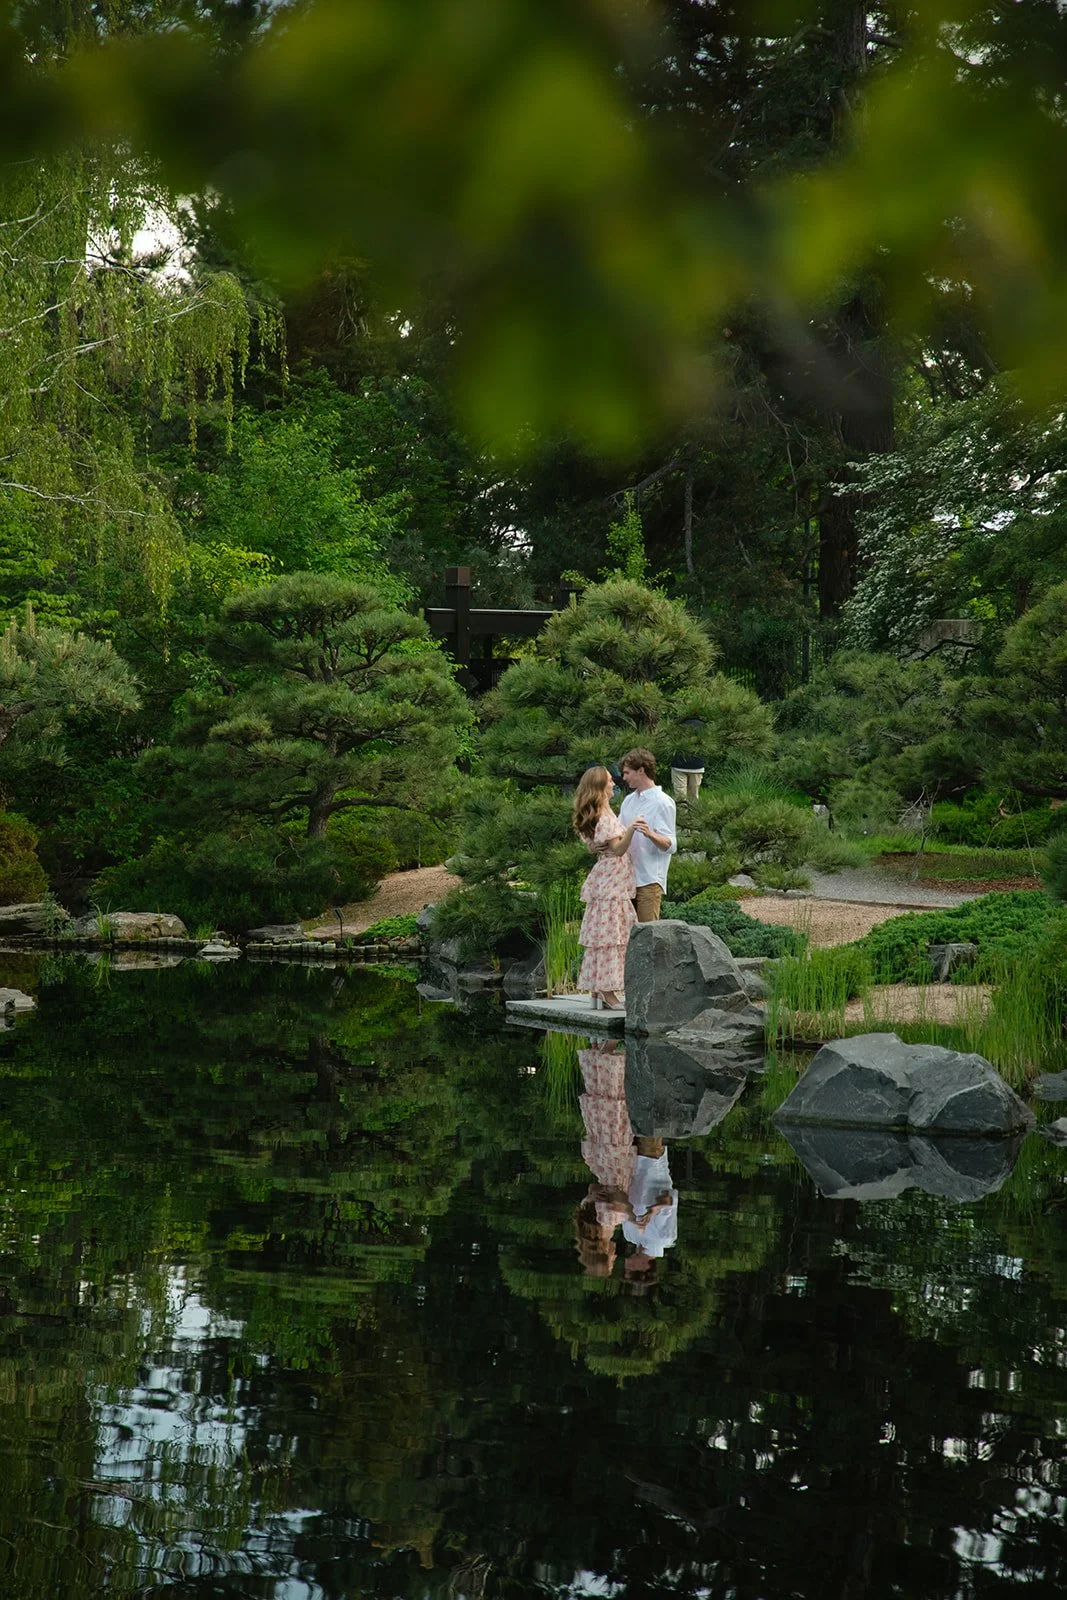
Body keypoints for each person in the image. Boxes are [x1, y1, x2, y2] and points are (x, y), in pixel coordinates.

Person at [572, 765, 646, 1010]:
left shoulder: (597, 814)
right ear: (599, 787)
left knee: (602, 935)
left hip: (606, 877)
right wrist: (633, 827)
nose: (614, 783)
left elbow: (594, 847)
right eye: (609, 781)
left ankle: (597, 990)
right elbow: (617, 849)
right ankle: (607, 992)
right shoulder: (604, 816)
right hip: (612, 878)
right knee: (611, 936)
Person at [617, 748, 677, 922]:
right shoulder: (629, 801)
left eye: (627, 772)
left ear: (641, 770)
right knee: (626, 936)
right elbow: (618, 831)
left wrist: (649, 833)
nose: (624, 777)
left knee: (648, 935)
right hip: (626, 878)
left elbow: (671, 845)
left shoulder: (663, 802)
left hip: (649, 879)